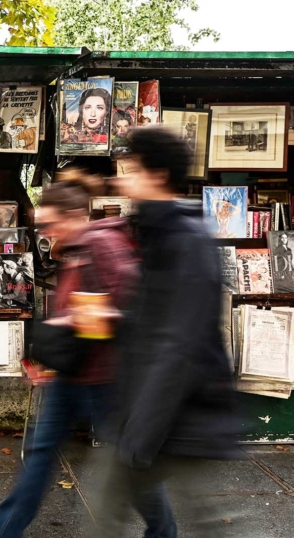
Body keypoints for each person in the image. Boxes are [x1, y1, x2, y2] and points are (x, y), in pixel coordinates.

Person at [97, 126, 242, 538]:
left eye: (130, 168)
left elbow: (179, 343)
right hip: (152, 411)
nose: (120, 178)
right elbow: (155, 324)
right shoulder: (156, 232)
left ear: (157, 175)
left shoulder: (187, 241)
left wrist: (140, 433)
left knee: (194, 521)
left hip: (177, 415)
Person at [0, 180, 139, 538]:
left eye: (53, 224)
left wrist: (78, 320)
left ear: (77, 216)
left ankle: (162, 529)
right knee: (41, 449)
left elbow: (131, 306)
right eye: (43, 225)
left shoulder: (104, 245)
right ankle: (3, 530)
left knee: (130, 460)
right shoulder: (76, 247)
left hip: (105, 376)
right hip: (73, 371)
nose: (48, 233)